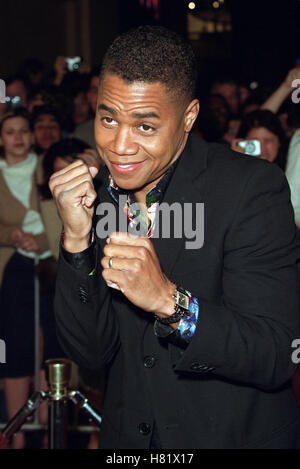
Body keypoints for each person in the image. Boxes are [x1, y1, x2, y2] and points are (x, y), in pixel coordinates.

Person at [50, 26, 300, 449]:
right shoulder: (96, 198)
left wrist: (170, 302)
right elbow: (90, 354)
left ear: (188, 117)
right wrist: (75, 242)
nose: (119, 146)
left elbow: (275, 354)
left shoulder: (250, 188)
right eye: (108, 118)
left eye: (145, 127)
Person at [0, 108, 53, 449]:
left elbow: (70, 216)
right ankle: (16, 436)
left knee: (51, 345)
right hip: (12, 268)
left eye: (23, 130)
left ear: (32, 136)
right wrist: (13, 235)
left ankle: (51, 431)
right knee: (16, 348)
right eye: (9, 131)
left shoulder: (49, 166)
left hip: (52, 265)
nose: (17, 137)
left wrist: (43, 241)